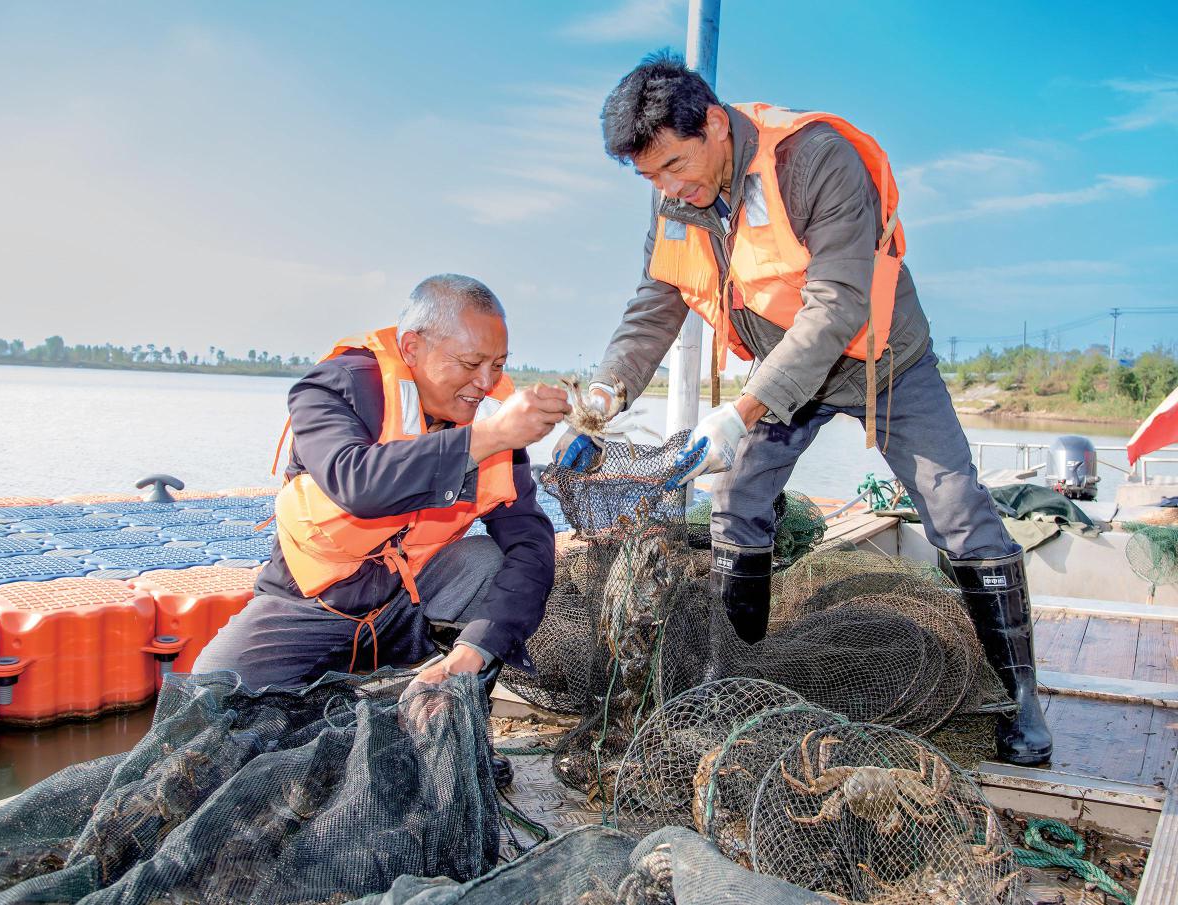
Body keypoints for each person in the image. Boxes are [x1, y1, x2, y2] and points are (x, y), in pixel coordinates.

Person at [554, 52, 1052, 766]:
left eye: (673, 166)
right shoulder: (676, 202)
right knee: (737, 497)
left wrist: (741, 412)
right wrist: (603, 396)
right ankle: (731, 677)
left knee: (957, 510)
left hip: (882, 362)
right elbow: (654, 307)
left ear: (714, 124)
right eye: (650, 177)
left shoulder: (816, 160)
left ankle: (1019, 696)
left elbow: (837, 306)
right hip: (784, 373)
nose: (667, 188)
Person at [194, 274, 567, 785]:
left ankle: (456, 732)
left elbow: (530, 543)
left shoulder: (494, 422)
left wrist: (476, 649)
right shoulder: (335, 388)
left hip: (405, 606)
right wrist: (488, 436)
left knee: (486, 560)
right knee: (208, 703)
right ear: (412, 348)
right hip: (310, 605)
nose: (485, 383)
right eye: (469, 364)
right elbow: (358, 482)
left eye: (498, 366)